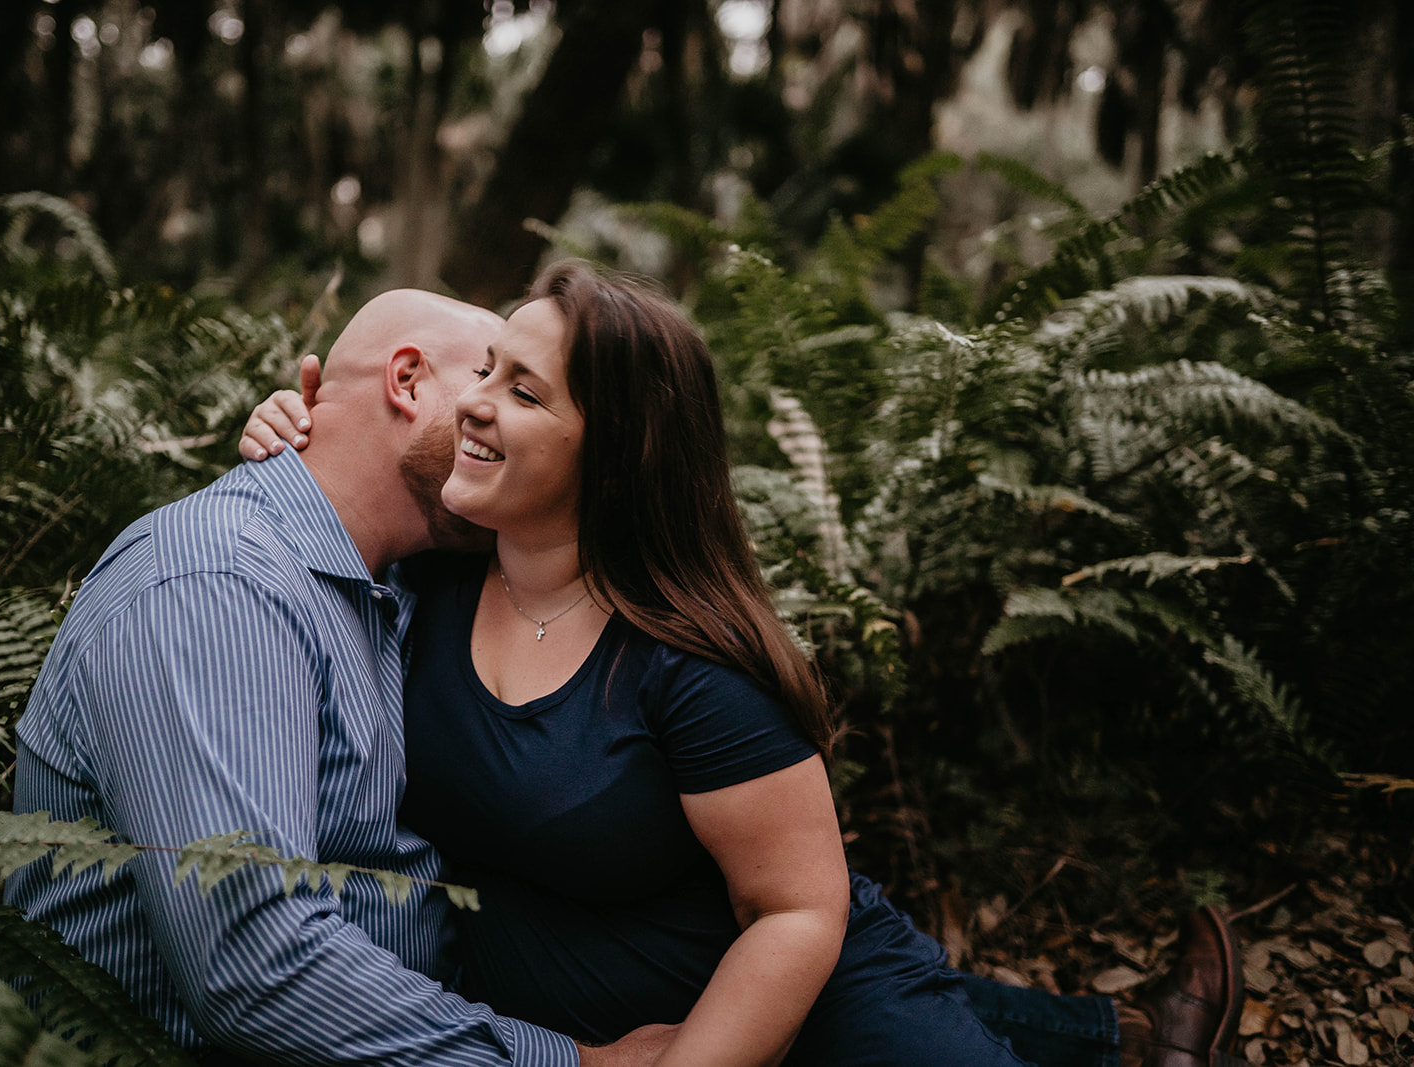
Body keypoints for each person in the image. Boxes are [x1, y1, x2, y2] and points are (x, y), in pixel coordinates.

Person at [243, 262, 1246, 1067]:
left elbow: (799, 909)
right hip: (603, 1003)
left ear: (615, 451)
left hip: (792, 996)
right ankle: (1129, 1037)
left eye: (521, 388)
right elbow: (342, 481)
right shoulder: (436, 567)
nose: (473, 403)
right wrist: (290, 433)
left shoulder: (686, 659)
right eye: (486, 367)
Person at [5, 288, 676, 1066]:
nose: (507, 417)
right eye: (490, 376)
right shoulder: (216, 585)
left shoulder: (404, 586)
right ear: (408, 380)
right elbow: (252, 964)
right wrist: (575, 1064)